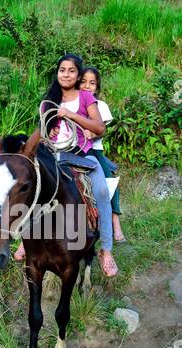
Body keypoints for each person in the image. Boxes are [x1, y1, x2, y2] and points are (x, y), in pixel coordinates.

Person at [15, 53, 118, 277]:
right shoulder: (48, 101)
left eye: (72, 71)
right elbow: (41, 132)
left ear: (78, 74)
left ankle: (106, 250)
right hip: (53, 156)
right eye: (62, 70)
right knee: (31, 185)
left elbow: (99, 127)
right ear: (57, 72)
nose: (66, 74)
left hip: (81, 155)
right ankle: (26, 239)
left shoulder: (86, 98)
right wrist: (46, 133)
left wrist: (70, 115)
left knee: (101, 190)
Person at [80, 66, 126, 242]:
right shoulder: (74, 103)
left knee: (109, 180)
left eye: (92, 83)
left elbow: (102, 130)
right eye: (83, 82)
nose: (87, 86)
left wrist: (92, 134)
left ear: (97, 87)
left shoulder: (100, 105)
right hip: (73, 148)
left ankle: (115, 223)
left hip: (94, 150)